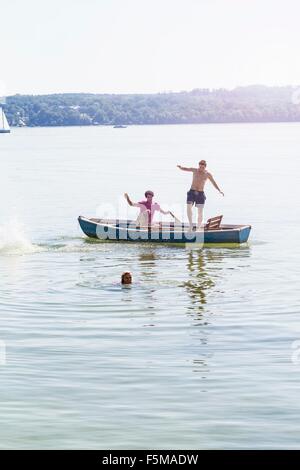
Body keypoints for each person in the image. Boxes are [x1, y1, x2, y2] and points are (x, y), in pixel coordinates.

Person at [177, 160, 224, 230]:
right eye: (200, 165)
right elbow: (187, 169)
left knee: (200, 212)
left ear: (205, 166)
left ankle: (198, 227)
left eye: (203, 166)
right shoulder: (195, 170)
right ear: (199, 165)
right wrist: (180, 167)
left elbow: (214, 183)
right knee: (188, 207)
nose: (201, 167)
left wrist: (219, 190)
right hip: (192, 192)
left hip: (200, 194)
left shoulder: (208, 174)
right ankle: (191, 225)